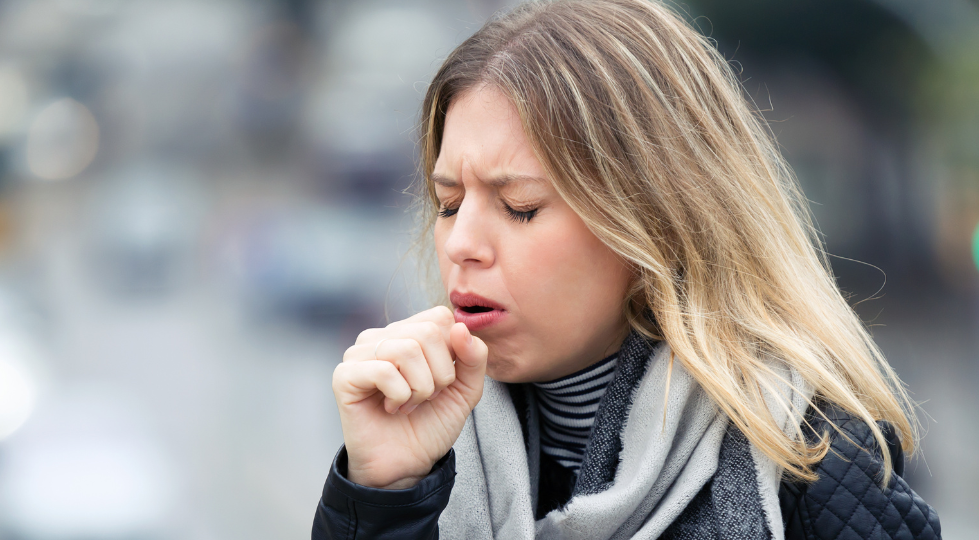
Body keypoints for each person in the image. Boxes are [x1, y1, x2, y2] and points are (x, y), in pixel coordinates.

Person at [313, 0, 941, 538]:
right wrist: (383, 497)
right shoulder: (424, 448)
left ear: (653, 224)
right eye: (449, 203)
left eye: (520, 208)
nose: (461, 244)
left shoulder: (812, 459)